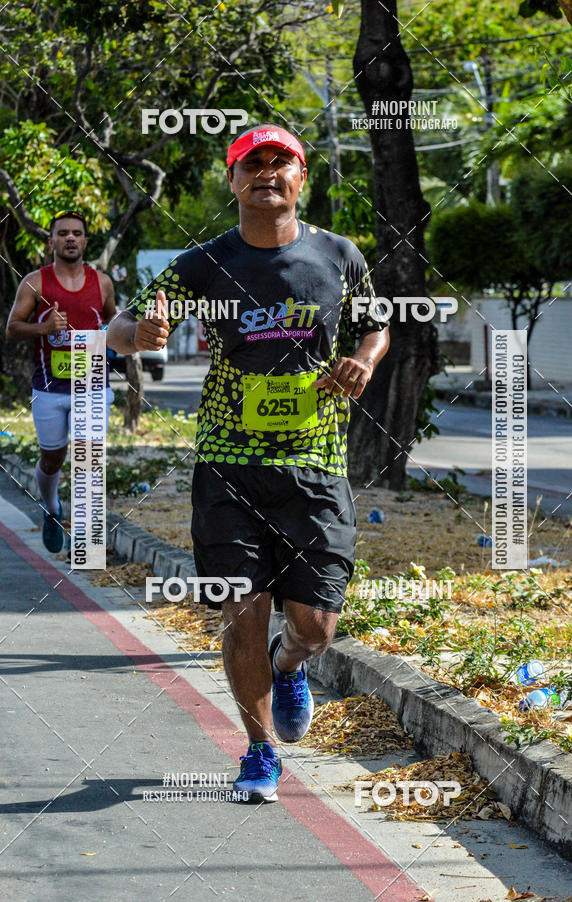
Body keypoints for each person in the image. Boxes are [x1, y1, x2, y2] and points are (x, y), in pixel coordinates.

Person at [107, 124, 390, 803]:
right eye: (251, 164)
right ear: (232, 182)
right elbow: (126, 324)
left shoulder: (339, 255)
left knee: (315, 627)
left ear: (301, 180)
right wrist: (135, 335)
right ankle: (260, 751)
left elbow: (376, 322)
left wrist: (365, 359)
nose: (266, 172)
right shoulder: (202, 264)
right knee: (242, 609)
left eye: (280, 162)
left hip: (314, 466)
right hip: (230, 469)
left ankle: (290, 667)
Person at [6, 210, 116, 553]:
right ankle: (52, 508)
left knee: (88, 458)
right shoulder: (35, 282)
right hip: (49, 389)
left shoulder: (103, 283)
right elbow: (12, 329)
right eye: (63, 233)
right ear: (51, 240)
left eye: (77, 233)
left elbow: (115, 324)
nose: (70, 238)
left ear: (85, 240)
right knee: (52, 458)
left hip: (93, 383)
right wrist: (43, 328)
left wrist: (112, 343)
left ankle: (85, 541)